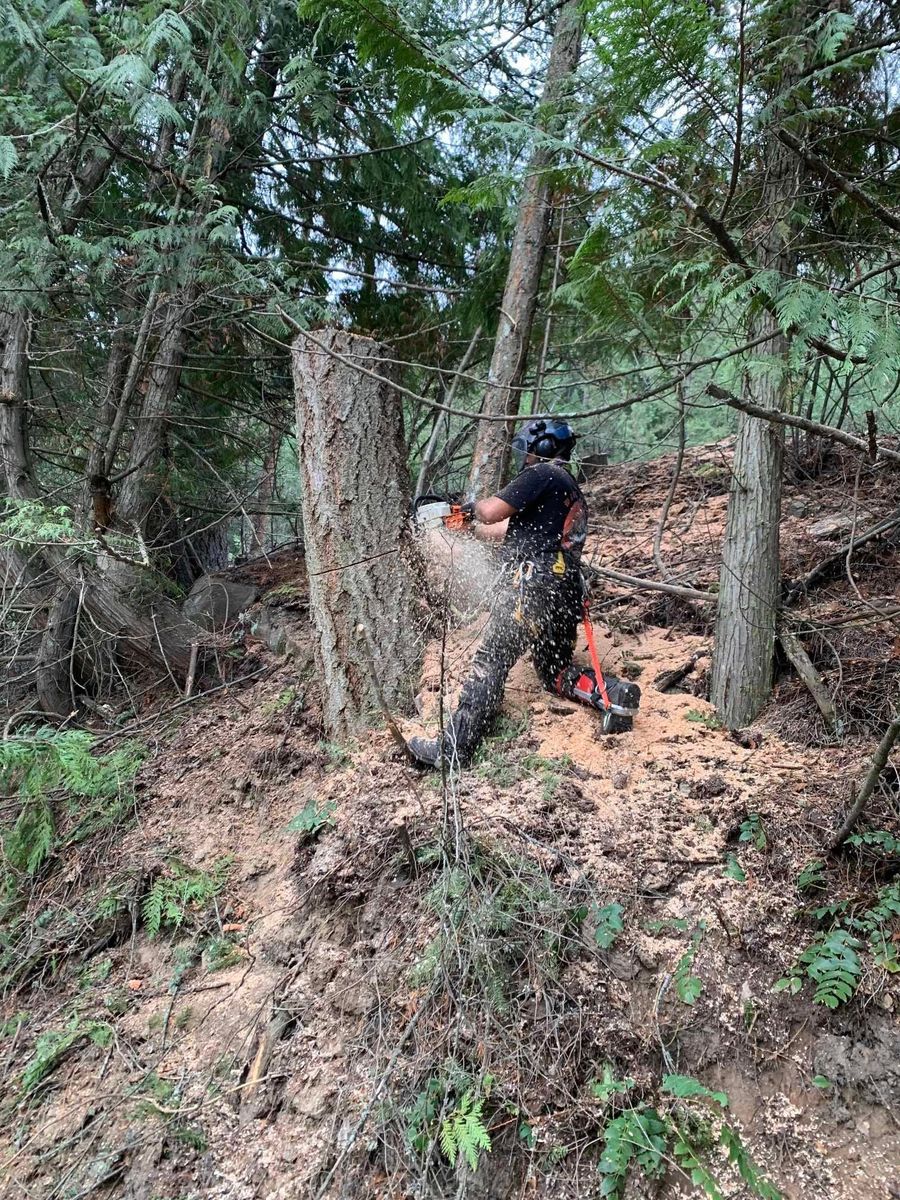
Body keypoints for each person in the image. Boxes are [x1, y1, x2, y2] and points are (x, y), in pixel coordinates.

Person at [410, 418, 614, 769]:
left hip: (534, 585)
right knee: (554, 671)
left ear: (544, 448)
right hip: (564, 591)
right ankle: (613, 696)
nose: (525, 457)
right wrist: (468, 527)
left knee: (491, 660)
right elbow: (506, 529)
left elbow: (491, 512)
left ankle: (453, 749)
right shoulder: (568, 488)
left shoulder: (542, 474)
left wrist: (467, 508)